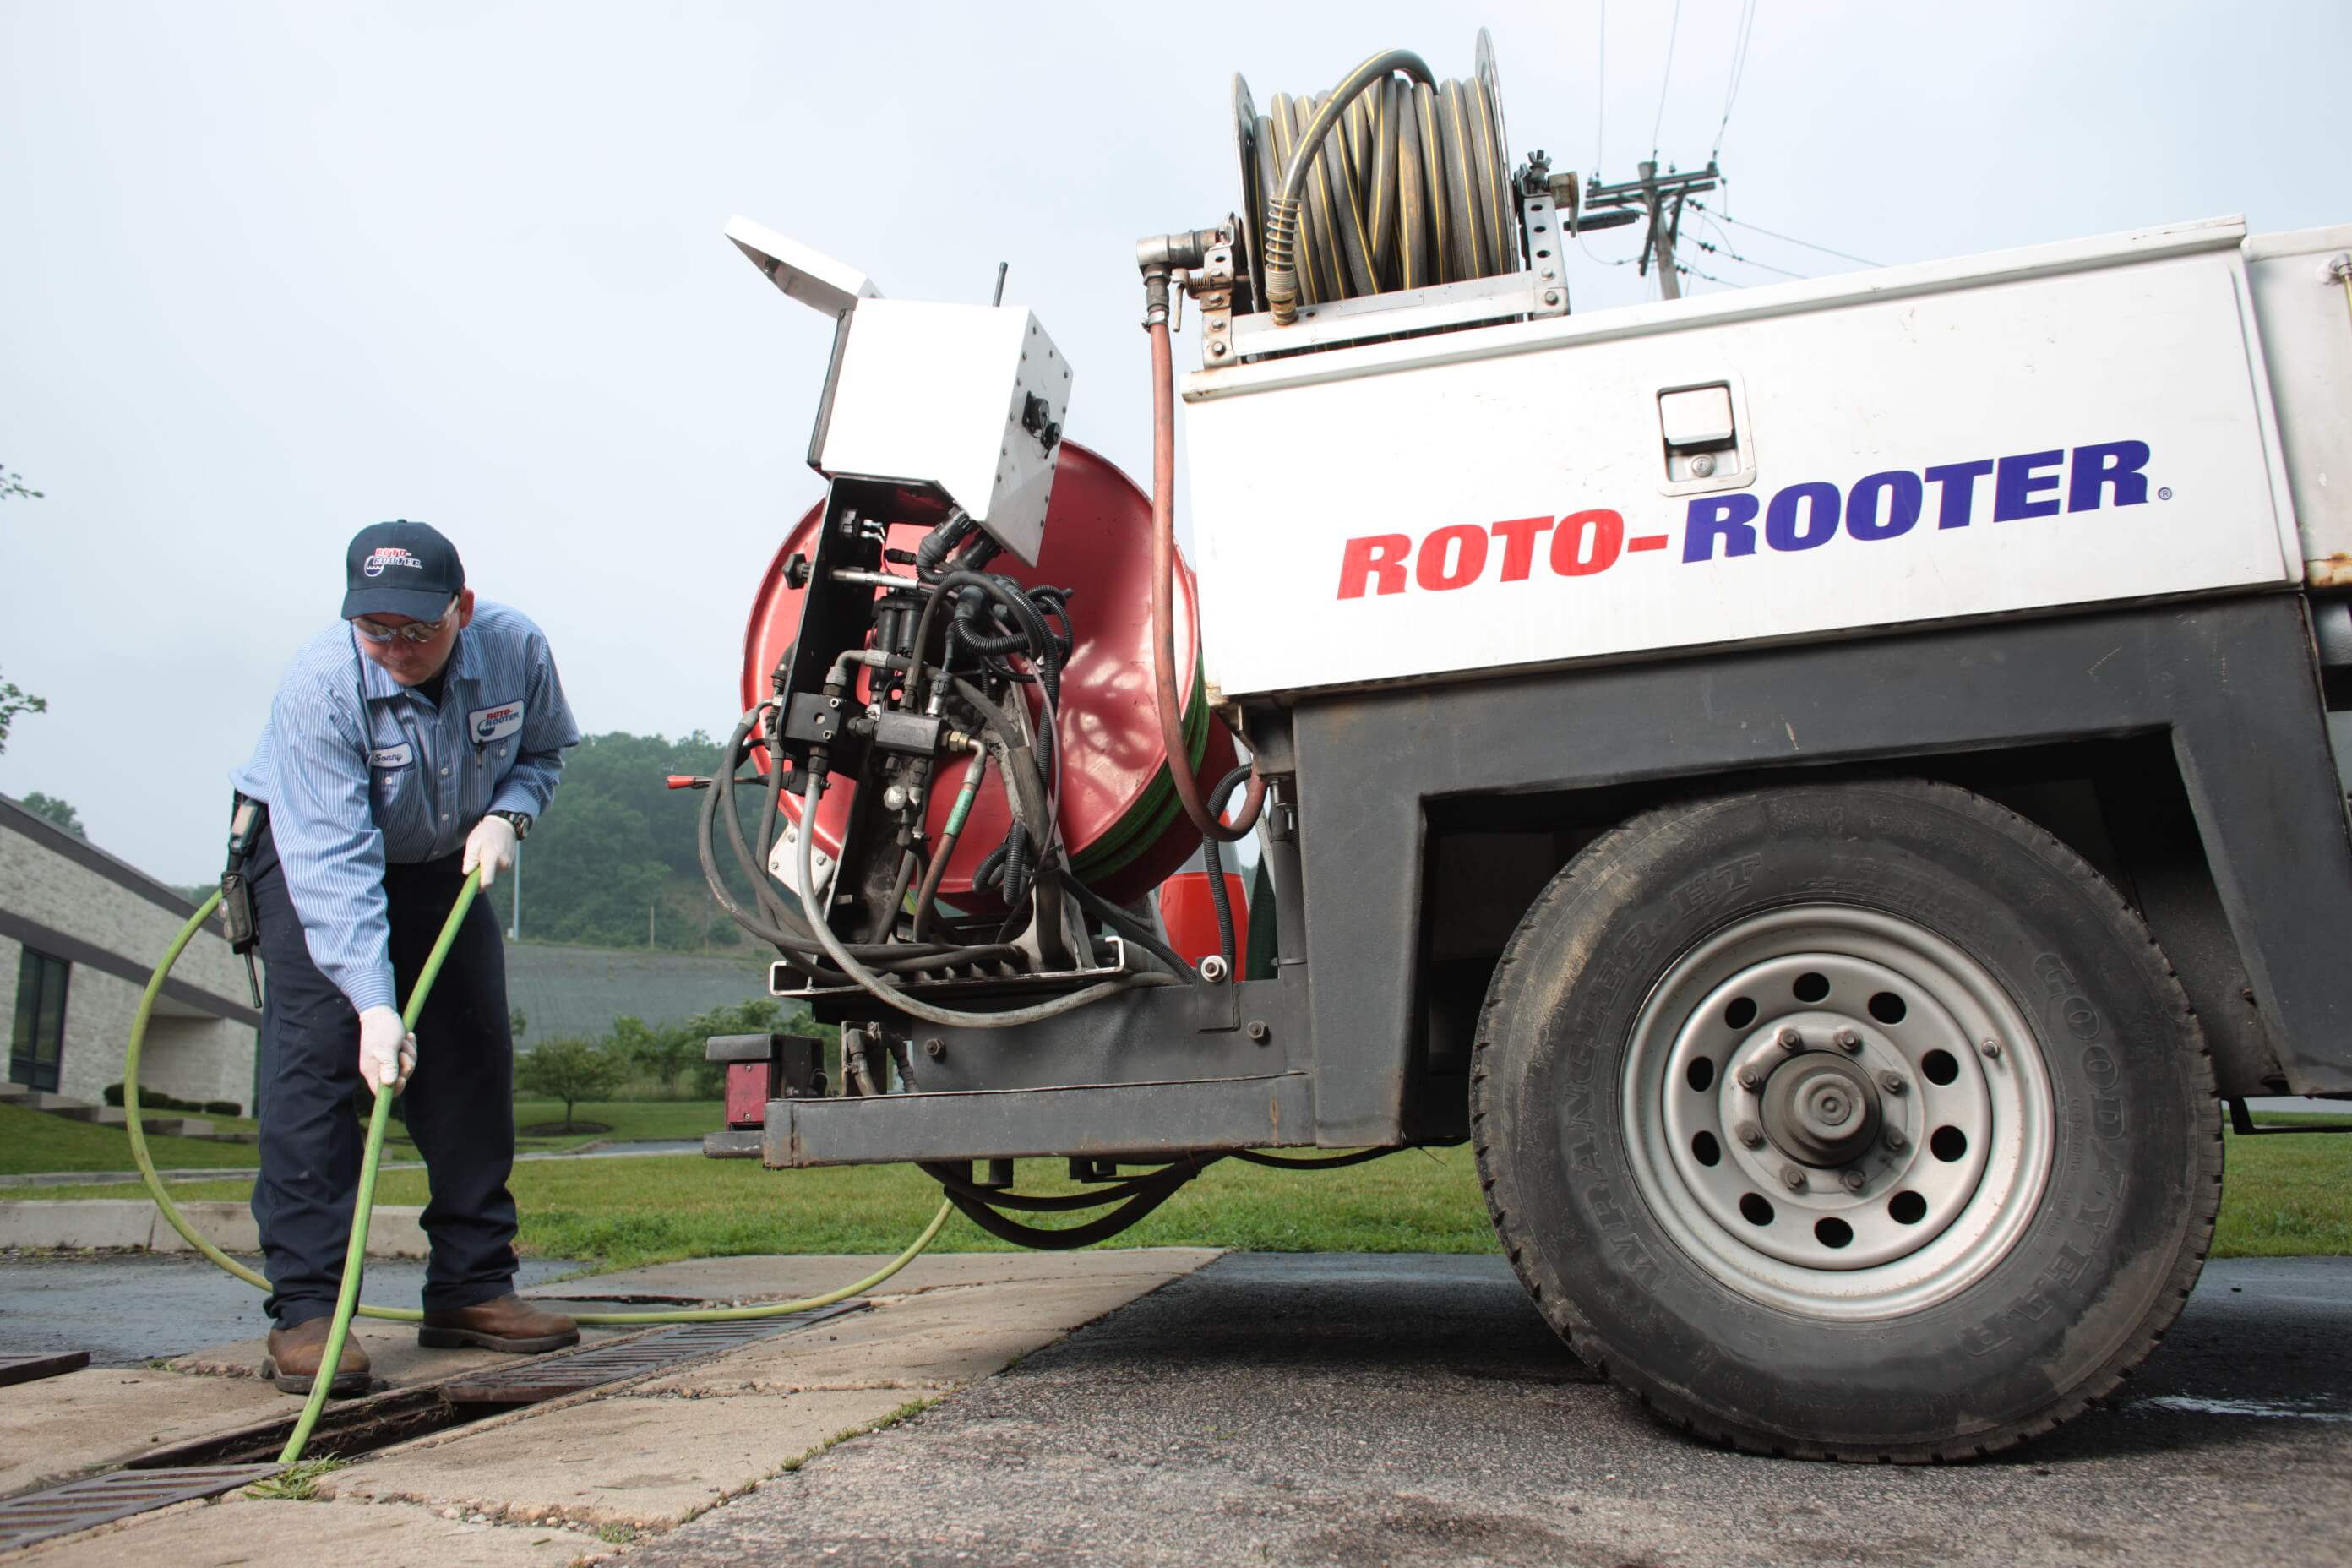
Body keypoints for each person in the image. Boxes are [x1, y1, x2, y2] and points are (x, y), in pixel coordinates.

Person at [229, 520, 581, 1395]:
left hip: (445, 857)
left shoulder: (515, 646)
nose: (396, 649)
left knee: (469, 1058)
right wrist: (374, 1006)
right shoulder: (320, 687)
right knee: (317, 1069)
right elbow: (333, 865)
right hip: (316, 859)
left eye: (418, 629)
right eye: (375, 629)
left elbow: (541, 752)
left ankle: (470, 1287)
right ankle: (310, 1310)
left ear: (461, 607)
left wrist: (511, 814)